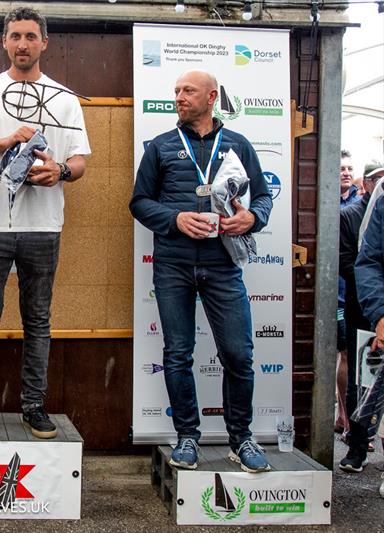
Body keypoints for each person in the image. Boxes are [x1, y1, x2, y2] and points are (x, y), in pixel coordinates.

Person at [0, 6, 90, 439]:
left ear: (45, 42)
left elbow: (81, 160)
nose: (23, 44)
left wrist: (59, 171)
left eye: (30, 36)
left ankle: (33, 407)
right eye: (15, 36)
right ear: (4, 42)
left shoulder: (64, 97)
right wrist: (7, 140)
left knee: (38, 319)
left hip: (43, 227)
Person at [129, 70, 273, 472]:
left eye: (187, 91)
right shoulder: (160, 147)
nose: (179, 97)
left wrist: (252, 218)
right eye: (175, 91)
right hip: (173, 266)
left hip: (223, 265)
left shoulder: (239, 145)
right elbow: (139, 202)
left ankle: (241, 439)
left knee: (238, 355)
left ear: (211, 97)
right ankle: (187, 437)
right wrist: (175, 219)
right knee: (177, 354)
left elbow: (262, 197)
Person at [340, 161, 384, 484]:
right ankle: (357, 446)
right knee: (365, 382)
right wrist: (379, 312)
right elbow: (363, 262)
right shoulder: (360, 211)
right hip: (366, 313)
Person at [337, 150, 361, 434]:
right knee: (343, 355)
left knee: (347, 354)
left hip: (355, 295)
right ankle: (343, 415)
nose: (345, 172)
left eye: (349, 168)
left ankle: (353, 420)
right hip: (338, 294)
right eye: (341, 167)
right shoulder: (329, 203)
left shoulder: (362, 204)